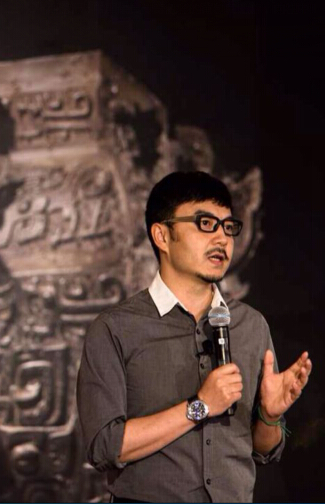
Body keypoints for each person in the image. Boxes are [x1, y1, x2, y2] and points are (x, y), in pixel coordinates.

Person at [76, 171, 312, 502]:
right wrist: (199, 407)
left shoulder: (251, 325)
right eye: (206, 224)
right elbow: (104, 447)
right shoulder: (116, 329)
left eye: (228, 227)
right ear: (162, 235)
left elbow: (265, 450)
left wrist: (270, 417)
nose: (222, 239)